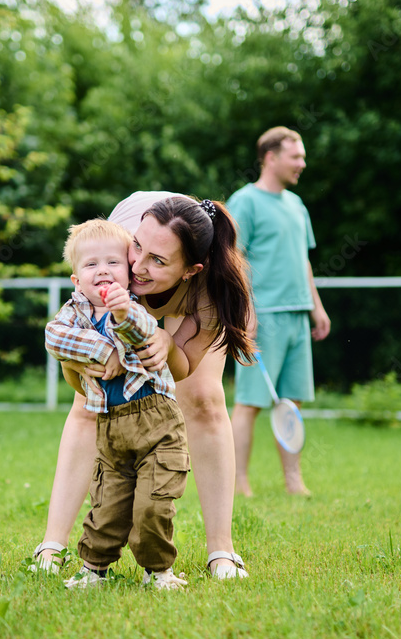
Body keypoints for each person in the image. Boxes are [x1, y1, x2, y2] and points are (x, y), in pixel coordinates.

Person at [33, 193, 256, 579]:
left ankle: (222, 550)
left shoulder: (209, 289)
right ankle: (52, 545)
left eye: (157, 260)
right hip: (121, 300)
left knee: (203, 399)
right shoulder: (116, 258)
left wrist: (167, 344)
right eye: (136, 248)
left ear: (189, 270)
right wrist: (91, 362)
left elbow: (181, 368)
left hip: (184, 297)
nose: (136, 266)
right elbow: (71, 358)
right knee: (89, 405)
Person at [44, 219, 189, 589]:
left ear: (129, 272)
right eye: (91, 264)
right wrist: (100, 349)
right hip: (110, 425)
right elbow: (54, 337)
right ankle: (93, 570)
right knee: (106, 504)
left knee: (153, 503)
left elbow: (141, 332)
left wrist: (122, 314)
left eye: (113, 262)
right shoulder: (74, 314)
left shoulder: (135, 308)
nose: (103, 271)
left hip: (157, 421)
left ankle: (158, 571)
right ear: (77, 280)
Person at [227, 126, 331, 497]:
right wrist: (246, 312)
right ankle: (238, 482)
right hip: (263, 317)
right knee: (250, 403)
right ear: (271, 158)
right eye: (296, 156)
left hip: (298, 315)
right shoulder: (245, 201)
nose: (302, 163)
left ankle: (293, 481)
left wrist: (316, 307)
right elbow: (233, 259)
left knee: (292, 403)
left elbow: (303, 260)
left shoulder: (297, 204)